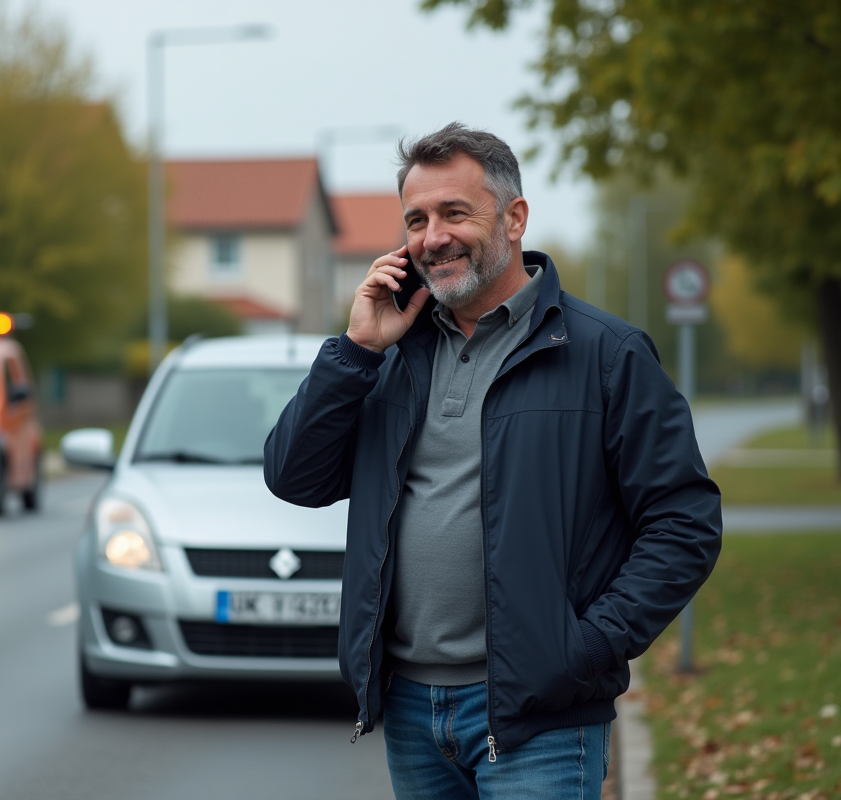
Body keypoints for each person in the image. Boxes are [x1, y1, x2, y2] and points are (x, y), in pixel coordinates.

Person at [264, 123, 721, 799]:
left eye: (455, 212)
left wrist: (586, 649)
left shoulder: (606, 354)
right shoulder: (390, 355)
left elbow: (684, 524)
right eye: (416, 220)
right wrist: (355, 351)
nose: (432, 237)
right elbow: (294, 477)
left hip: (539, 716)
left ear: (514, 218)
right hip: (412, 710)